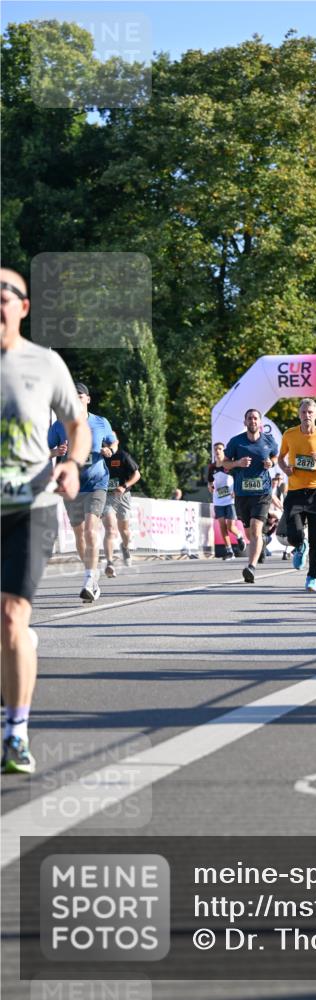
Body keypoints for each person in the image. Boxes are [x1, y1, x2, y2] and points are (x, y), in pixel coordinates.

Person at [1, 269, 91, 774]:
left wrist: (72, 463)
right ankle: (16, 652)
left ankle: (15, 734)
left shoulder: (45, 363)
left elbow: (77, 425)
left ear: (23, 307)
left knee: (12, 615)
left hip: (27, 509)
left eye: (3, 295)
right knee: (9, 629)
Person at [48, 383, 117, 602]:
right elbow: (44, 451)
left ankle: (88, 580)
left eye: (79, 396)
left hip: (97, 483)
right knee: (79, 535)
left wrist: (110, 450)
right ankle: (92, 576)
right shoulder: (59, 425)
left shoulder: (100, 422)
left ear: (87, 399)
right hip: (72, 486)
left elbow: (113, 442)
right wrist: (56, 451)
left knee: (90, 530)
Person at [278, 398, 316, 592]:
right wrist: (286, 468)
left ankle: (312, 578)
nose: (307, 415)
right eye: (303, 412)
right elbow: (280, 458)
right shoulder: (290, 434)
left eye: (310, 412)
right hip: (294, 492)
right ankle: (298, 545)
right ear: (299, 414)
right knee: (293, 533)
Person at [223, 409, 278, 583]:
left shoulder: (268, 440)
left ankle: (251, 567)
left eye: (255, 418)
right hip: (242, 493)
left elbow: (275, 456)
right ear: (245, 421)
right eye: (249, 418)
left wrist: (271, 463)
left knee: (255, 528)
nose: (253, 421)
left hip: (262, 492)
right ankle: (261, 542)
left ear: (260, 422)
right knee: (249, 533)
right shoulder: (236, 442)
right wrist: (237, 463)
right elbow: (224, 463)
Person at [101, 442, 141, 576]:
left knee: (124, 530)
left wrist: (124, 486)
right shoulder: (98, 456)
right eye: (104, 441)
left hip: (123, 495)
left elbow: (137, 475)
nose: (106, 443)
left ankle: (125, 547)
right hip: (105, 496)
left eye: (109, 440)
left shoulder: (122, 455)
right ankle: (110, 563)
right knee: (110, 529)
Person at [208, 442, 238, 560]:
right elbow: (210, 483)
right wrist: (210, 487)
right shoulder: (212, 467)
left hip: (230, 500)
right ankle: (229, 551)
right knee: (222, 526)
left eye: (220, 449)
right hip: (218, 501)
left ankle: (239, 537)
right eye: (215, 449)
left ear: (223, 450)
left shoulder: (229, 465)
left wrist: (235, 490)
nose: (217, 451)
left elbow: (237, 478)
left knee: (231, 527)